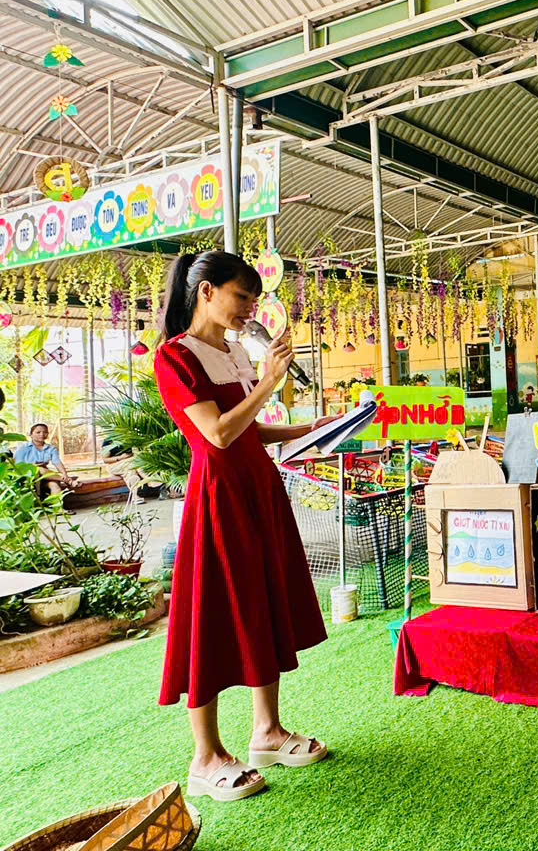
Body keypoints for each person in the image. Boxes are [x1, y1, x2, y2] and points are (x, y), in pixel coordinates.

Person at [153, 250, 342, 802]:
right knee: (211, 615)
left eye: (254, 301)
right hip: (218, 497)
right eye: (242, 297)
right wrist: (268, 382)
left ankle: (267, 732)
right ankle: (206, 756)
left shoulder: (233, 351)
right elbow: (215, 434)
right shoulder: (174, 357)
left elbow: (247, 430)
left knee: (262, 602)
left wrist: (309, 429)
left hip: (258, 488)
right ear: (206, 291)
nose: (249, 311)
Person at [14, 423, 79, 496]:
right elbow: (17, 465)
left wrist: (64, 473)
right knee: (38, 469)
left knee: (55, 486)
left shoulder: (51, 448)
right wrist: (31, 465)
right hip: (28, 477)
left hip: (46, 476)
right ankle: (69, 481)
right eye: (38, 432)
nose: (42, 434)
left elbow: (57, 462)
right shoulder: (23, 448)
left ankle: (57, 504)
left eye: (45, 432)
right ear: (31, 434)